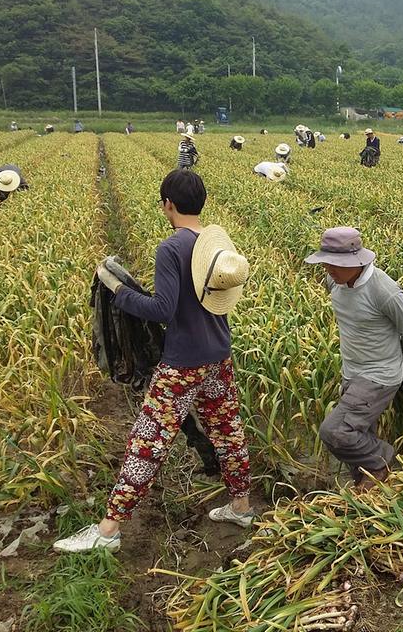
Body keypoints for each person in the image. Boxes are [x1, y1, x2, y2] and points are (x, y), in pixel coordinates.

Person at [53, 169, 252, 553]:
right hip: (218, 354)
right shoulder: (215, 249)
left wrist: (119, 292)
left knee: (148, 442)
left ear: (168, 205)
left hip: (182, 364)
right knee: (228, 432)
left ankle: (107, 532)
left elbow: (162, 310)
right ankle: (242, 506)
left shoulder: (171, 248)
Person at [305, 227, 403, 489]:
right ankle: (369, 482)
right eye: (326, 262)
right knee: (357, 433)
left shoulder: (383, 291)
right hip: (352, 372)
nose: (329, 268)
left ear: (357, 262)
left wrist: (388, 355)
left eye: (337, 264)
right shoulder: (335, 281)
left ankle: (381, 462)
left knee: (336, 431)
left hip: (378, 376)